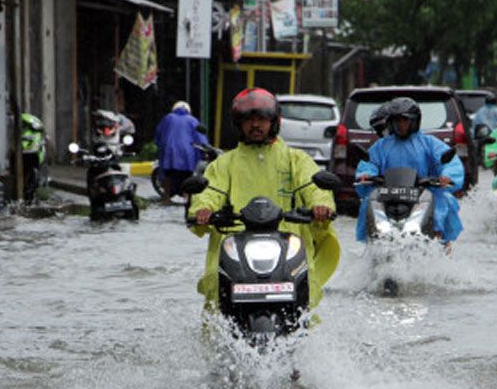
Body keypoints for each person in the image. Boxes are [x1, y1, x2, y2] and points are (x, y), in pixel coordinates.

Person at [188, 88, 340, 312]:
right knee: (217, 302)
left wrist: (321, 206)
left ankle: (306, 343)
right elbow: (210, 191)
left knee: (305, 303)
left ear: (274, 121)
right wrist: (203, 209)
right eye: (249, 120)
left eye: (261, 119)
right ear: (239, 124)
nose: (255, 125)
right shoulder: (224, 163)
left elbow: (313, 186)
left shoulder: (295, 159)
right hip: (235, 247)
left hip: (288, 247)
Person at [355, 96, 464, 245]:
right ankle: (372, 245)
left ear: (414, 121)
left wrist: (446, 176)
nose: (401, 125)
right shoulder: (381, 145)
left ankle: (440, 244)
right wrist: (365, 175)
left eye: (405, 120)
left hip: (423, 193)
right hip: (387, 195)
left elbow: (450, 162)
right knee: (368, 202)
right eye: (397, 120)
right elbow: (369, 163)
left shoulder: (429, 143)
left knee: (444, 201)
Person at [155, 101, 209, 204]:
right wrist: (204, 149)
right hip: (188, 153)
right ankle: (187, 198)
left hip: (169, 152)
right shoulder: (193, 120)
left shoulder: (168, 118)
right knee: (188, 175)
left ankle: (166, 198)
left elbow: (159, 134)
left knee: (168, 174)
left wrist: (160, 146)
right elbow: (200, 138)